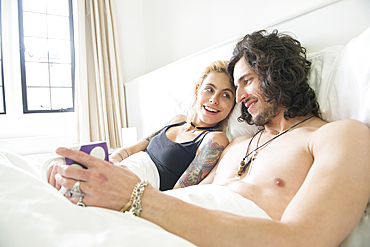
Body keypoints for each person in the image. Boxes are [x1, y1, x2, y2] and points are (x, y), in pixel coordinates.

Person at [54, 30, 370, 246]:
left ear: (279, 72)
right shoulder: (236, 145)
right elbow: (183, 200)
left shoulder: (339, 135)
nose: (241, 96)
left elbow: (301, 239)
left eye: (247, 81)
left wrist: (135, 197)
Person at [47, 60, 236, 191]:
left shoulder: (214, 139)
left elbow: (180, 191)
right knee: (59, 166)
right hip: (126, 166)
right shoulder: (178, 119)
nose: (214, 100)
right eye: (209, 89)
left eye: (226, 95)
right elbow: (136, 146)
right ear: (197, 90)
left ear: (232, 105)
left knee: (69, 180)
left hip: (139, 183)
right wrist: (111, 161)